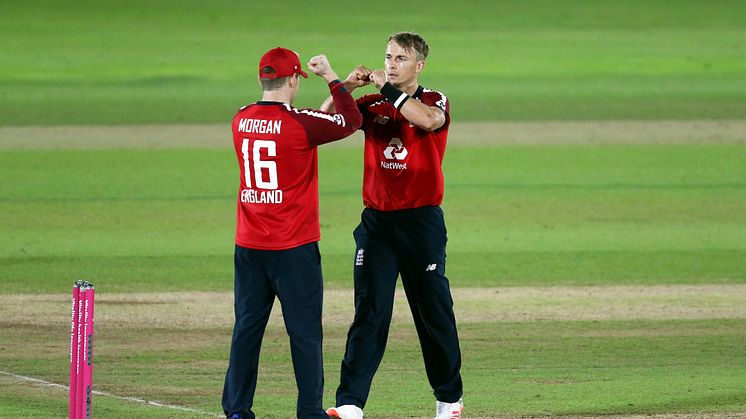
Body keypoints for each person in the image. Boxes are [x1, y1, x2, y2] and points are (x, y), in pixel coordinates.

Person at [320, 32, 464, 419]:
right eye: (387, 57)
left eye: (400, 58)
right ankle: (350, 402)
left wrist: (390, 92)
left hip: (421, 223)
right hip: (377, 225)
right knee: (369, 311)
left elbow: (429, 121)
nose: (390, 64)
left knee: (432, 312)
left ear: (419, 66)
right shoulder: (371, 104)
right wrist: (345, 85)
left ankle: (449, 399)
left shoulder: (435, 100)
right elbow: (327, 121)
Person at [222, 47, 362, 419]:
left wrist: (342, 86)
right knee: (304, 335)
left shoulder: (240, 119)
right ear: (296, 78)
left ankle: (237, 410)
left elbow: (310, 120)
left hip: (249, 245)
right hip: (292, 248)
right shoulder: (299, 123)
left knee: (247, 330)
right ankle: (308, 412)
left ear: (261, 79)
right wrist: (333, 78)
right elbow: (350, 120)